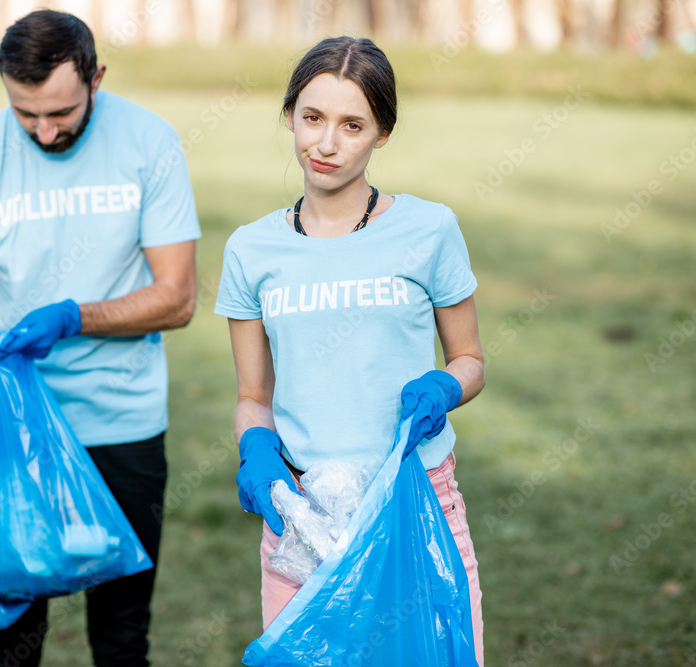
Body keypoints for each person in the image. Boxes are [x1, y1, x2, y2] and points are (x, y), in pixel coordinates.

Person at [0, 10, 200, 667]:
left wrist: (74, 315)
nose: (44, 131)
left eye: (61, 112)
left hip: (122, 423)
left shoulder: (149, 143)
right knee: (14, 642)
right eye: (25, 114)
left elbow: (179, 296)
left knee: (122, 636)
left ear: (96, 78)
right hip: (11, 430)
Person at [214, 37, 485, 664]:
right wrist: (255, 447)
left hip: (417, 501)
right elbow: (254, 396)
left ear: (382, 133)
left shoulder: (430, 229)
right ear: (290, 116)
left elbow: (468, 359)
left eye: (351, 125)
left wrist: (447, 387)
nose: (326, 144)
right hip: (303, 516)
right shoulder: (251, 251)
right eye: (312, 118)